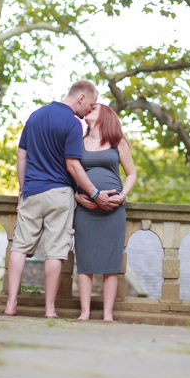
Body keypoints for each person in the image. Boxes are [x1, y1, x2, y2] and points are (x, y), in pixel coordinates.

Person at [3, 81, 119, 317]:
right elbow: (73, 164)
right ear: (81, 97)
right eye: (91, 104)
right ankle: (49, 309)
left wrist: (22, 189)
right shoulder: (72, 123)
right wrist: (95, 194)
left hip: (32, 192)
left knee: (19, 247)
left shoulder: (35, 116)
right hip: (59, 193)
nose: (90, 110)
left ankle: (11, 305)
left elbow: (21, 154)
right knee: (55, 251)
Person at [74, 103, 136, 321]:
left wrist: (123, 195)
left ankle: (108, 315)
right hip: (85, 210)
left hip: (113, 210)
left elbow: (131, 174)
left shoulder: (117, 141)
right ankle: (85, 313)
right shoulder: (78, 142)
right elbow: (70, 172)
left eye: (95, 107)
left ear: (106, 114)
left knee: (111, 263)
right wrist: (77, 196)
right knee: (85, 261)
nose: (90, 108)